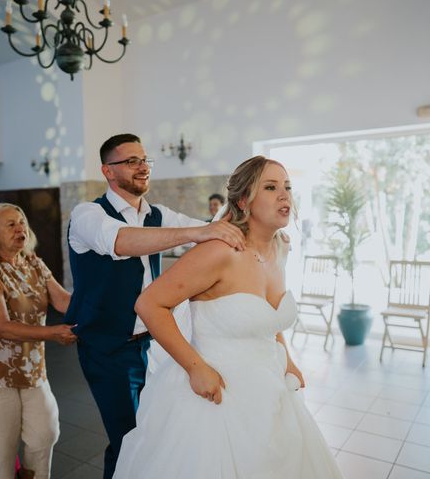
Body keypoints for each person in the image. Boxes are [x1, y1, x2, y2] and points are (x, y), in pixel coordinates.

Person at [114, 156, 343, 478]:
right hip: (219, 392)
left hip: (272, 387)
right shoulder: (219, 252)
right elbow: (149, 304)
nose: (284, 195)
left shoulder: (281, 249)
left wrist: (287, 359)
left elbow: (268, 317)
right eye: (271, 187)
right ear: (243, 200)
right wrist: (196, 368)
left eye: (288, 187)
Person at [65, 133, 246, 479]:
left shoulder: (155, 214)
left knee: (155, 434)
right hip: (108, 347)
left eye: (145, 160)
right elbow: (121, 240)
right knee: (128, 439)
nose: (143, 167)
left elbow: (208, 228)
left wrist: (253, 228)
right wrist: (195, 234)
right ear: (108, 171)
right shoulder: (87, 214)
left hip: (156, 343)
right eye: (131, 161)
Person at [0, 203, 77, 479]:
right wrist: (55, 334)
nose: (20, 227)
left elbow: (63, 301)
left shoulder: (32, 261)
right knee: (4, 450)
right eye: (10, 224)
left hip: (30, 368)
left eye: (22, 222)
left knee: (45, 434)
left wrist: (100, 305)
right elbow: (1, 326)